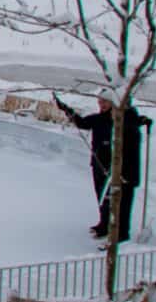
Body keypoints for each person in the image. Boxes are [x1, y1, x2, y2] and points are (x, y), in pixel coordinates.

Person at [55, 93, 150, 240]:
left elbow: (131, 137)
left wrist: (141, 120)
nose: (101, 104)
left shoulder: (124, 121)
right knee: (103, 198)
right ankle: (104, 226)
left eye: (105, 101)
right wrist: (67, 109)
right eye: (100, 101)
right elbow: (82, 123)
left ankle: (121, 235)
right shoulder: (100, 119)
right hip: (100, 165)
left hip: (120, 171)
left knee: (121, 203)